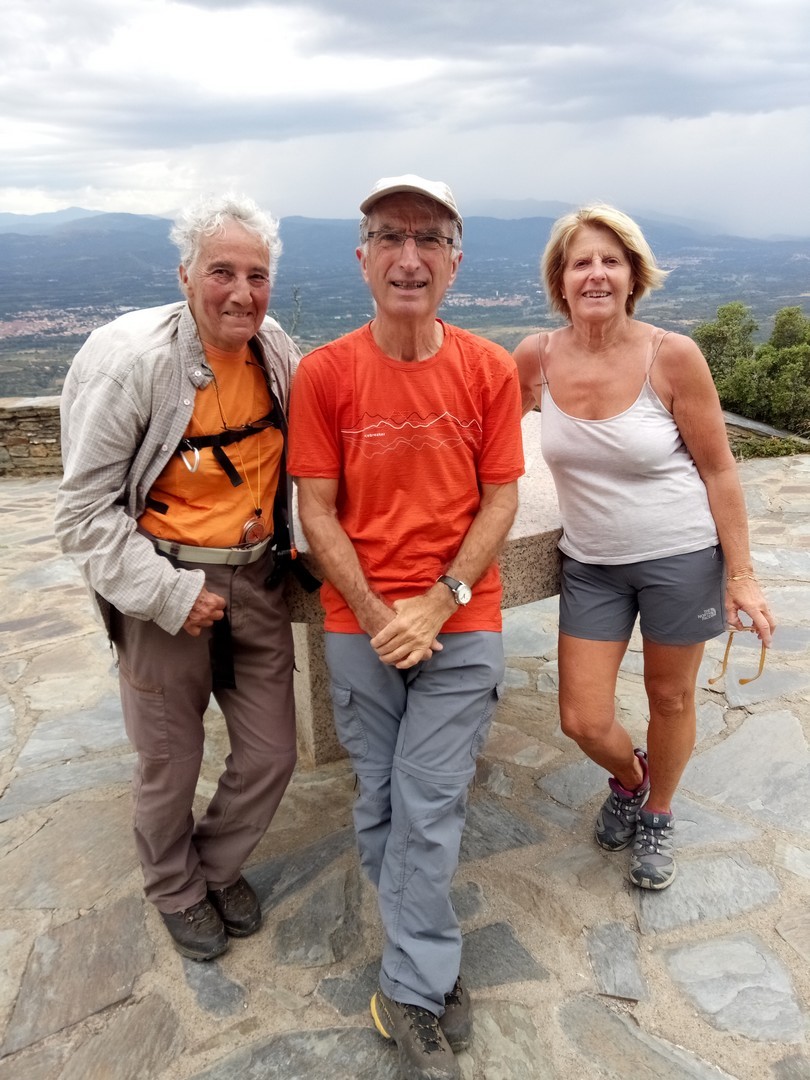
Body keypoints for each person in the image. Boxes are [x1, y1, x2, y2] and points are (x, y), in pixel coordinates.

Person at [288, 175, 524, 1080]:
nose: (409, 256)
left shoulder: (487, 368)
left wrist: (440, 602)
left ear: (456, 261)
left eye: (430, 239)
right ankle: (422, 955)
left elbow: (501, 496)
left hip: (462, 621)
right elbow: (317, 509)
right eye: (391, 237)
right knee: (382, 800)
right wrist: (388, 615)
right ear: (363, 258)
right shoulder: (327, 373)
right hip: (363, 624)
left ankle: (415, 985)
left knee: (427, 804)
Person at [55, 195, 300, 961]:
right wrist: (167, 593)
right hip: (164, 580)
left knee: (271, 752)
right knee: (171, 756)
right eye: (221, 271)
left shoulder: (276, 349)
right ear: (185, 275)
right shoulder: (139, 367)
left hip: (255, 576)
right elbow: (83, 512)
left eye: (256, 275)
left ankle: (217, 863)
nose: (241, 292)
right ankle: (175, 887)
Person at [513, 204, 776, 891]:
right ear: (560, 281)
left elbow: (719, 468)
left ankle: (657, 811)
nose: (596, 273)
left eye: (611, 260)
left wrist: (741, 574)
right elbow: (481, 442)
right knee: (581, 716)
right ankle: (632, 777)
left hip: (681, 556)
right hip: (592, 564)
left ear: (633, 276)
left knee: (671, 699)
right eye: (581, 262)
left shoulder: (673, 356)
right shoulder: (534, 358)